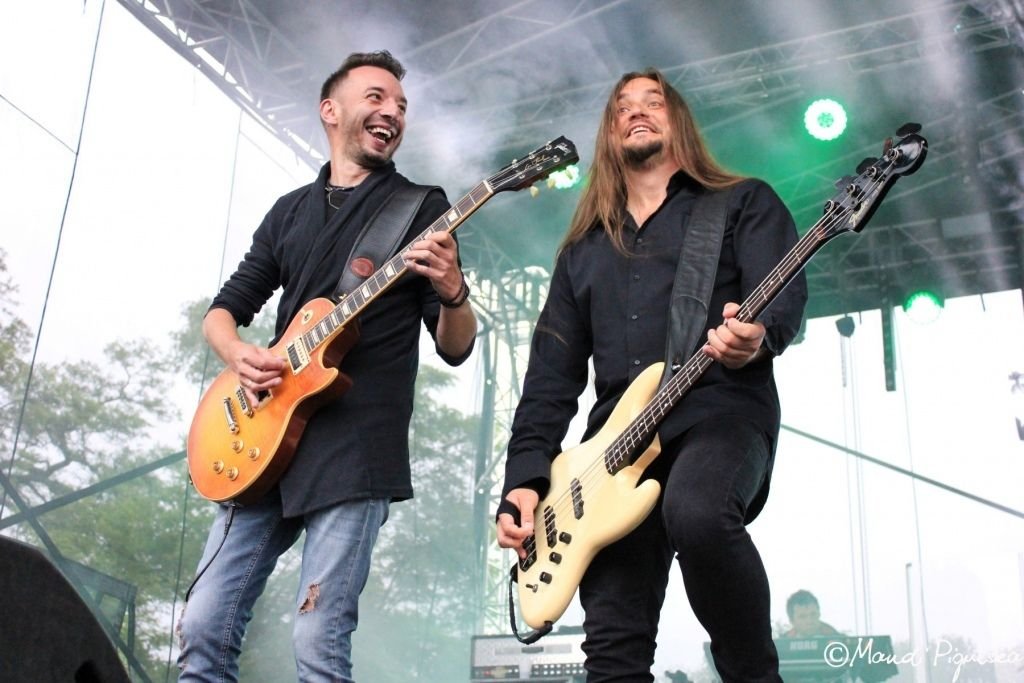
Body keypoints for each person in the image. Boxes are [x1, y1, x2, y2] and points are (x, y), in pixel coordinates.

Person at [495, 68, 807, 682]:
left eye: (653, 101)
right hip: (612, 454)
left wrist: (756, 338)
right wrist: (525, 480)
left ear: (678, 120)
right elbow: (550, 380)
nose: (637, 111)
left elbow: (780, 296)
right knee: (613, 646)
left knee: (698, 513)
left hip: (718, 413)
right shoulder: (582, 252)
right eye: (623, 107)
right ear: (610, 133)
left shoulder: (741, 203)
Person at [176, 50, 477, 682]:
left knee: (317, 636)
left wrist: (453, 292)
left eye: (401, 106)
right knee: (203, 624)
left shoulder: (419, 207)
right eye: (376, 97)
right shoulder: (289, 210)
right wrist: (240, 355)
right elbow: (223, 312)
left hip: (355, 445)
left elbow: (455, 347)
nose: (392, 112)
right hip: (264, 433)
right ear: (330, 110)